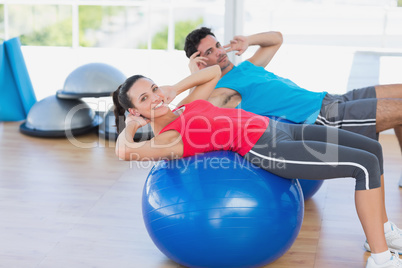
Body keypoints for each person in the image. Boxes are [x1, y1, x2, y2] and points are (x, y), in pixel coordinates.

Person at [112, 65, 402, 267]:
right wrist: (132, 125)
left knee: (372, 149)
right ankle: (381, 258)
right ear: (135, 109)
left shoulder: (185, 107)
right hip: (269, 149)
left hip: (277, 127)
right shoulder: (171, 138)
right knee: (362, 166)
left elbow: (213, 73)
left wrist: (173, 88)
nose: (156, 97)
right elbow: (124, 151)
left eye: (153, 88)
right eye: (145, 98)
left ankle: (381, 228)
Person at [183, 27, 402, 187]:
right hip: (323, 117)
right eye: (209, 52)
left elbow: (276, 39)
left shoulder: (246, 67)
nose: (219, 52)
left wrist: (248, 40)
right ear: (200, 61)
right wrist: (196, 75)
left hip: (331, 99)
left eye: (217, 45)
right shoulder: (222, 91)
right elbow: (194, 111)